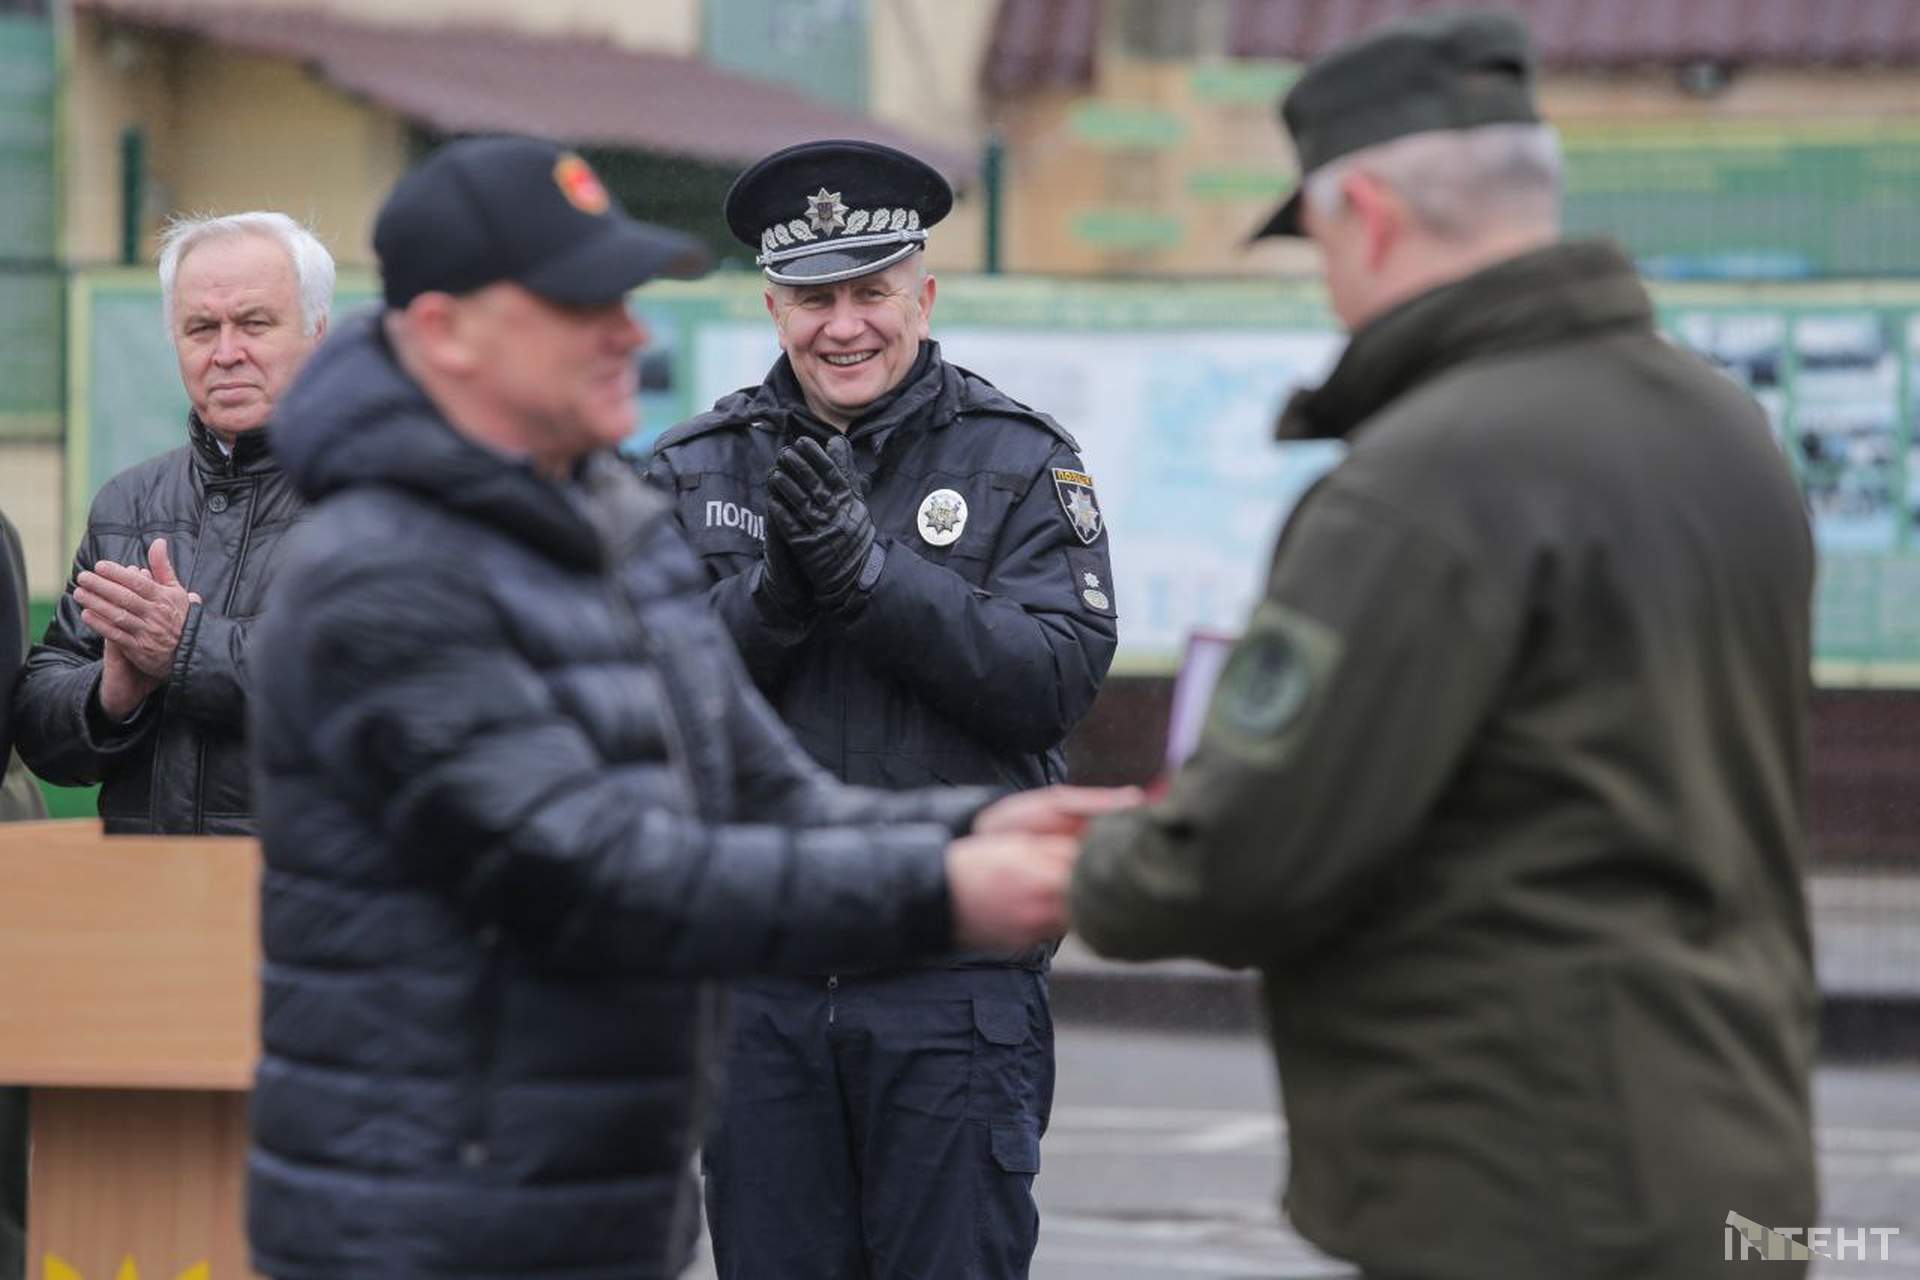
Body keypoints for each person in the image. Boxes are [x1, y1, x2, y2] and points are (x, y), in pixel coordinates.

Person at [244, 135, 1130, 1280]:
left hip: (593, 1182)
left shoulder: (599, 514)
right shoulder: (387, 567)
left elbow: (755, 781)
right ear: (448, 334)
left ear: (923, 292)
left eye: (623, 299)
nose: (632, 335)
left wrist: (968, 831)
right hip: (438, 1193)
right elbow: (590, 864)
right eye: (581, 306)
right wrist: (940, 881)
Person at [1067, 11, 1818, 1280]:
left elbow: (1249, 853)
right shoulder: (1722, 427)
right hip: (1735, 1147)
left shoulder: (1421, 480)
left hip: (1522, 1187)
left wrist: (1094, 868)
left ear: (1363, 212)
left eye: (1317, 244)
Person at [647, 139, 1118, 1278]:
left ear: (924, 294)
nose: (843, 326)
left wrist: (875, 584)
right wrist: (773, 603)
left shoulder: (1018, 460)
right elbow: (635, 698)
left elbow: (1054, 676)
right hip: (760, 979)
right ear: (772, 306)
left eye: (871, 293)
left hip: (951, 979)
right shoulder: (690, 471)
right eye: (814, 299)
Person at [10, 212, 333, 834]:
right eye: (200, 328)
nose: (226, 352)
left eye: (255, 324)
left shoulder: (381, 495)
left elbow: (365, 686)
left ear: (318, 334)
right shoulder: (128, 503)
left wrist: (183, 648)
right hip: (144, 903)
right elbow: (39, 730)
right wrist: (109, 696)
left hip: (310, 903)